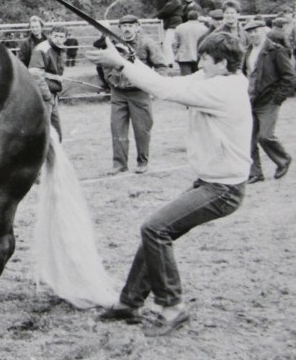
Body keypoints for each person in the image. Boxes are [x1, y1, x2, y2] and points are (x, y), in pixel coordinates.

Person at [86, 33, 251, 337]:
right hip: (212, 183)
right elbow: (172, 84)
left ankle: (172, 307)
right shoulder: (215, 77)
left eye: (204, 58)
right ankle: (130, 302)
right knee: (158, 231)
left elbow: (165, 90)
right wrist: (129, 59)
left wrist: (122, 64)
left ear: (222, 63)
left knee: (155, 229)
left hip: (222, 189)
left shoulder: (223, 89)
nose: (198, 63)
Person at [95, 15, 167, 175]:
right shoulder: (113, 44)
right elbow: (104, 64)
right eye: (123, 26)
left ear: (137, 27)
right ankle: (119, 164)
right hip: (118, 93)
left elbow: (161, 66)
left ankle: (142, 162)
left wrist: (156, 86)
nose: (127, 29)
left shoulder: (147, 43)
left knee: (142, 129)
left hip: (140, 93)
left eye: (130, 25)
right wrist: (110, 80)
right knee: (117, 128)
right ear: (119, 28)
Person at [242, 20, 295, 183]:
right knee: (248, 138)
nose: (253, 34)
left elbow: (289, 77)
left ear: (264, 31)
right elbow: (247, 74)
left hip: (269, 99)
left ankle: (283, 160)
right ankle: (255, 173)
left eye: (256, 31)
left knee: (265, 136)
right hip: (251, 99)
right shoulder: (248, 51)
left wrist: (278, 97)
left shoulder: (276, 50)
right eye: (250, 32)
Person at [28, 24, 66, 139]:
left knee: (56, 129)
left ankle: (55, 153)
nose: (58, 39)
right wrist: (47, 96)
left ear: (65, 38)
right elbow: (35, 74)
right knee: (44, 129)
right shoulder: (42, 49)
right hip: (43, 95)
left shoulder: (60, 49)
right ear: (50, 35)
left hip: (53, 94)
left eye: (61, 36)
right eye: (56, 36)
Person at [173, 10, 211, 76]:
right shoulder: (203, 28)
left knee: (186, 79)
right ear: (197, 17)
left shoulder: (179, 27)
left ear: (188, 17)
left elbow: (175, 44)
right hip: (198, 57)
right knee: (199, 78)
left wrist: (176, 53)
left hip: (183, 57)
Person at [155, 0, 183, 66]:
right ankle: (171, 60)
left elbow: (165, 11)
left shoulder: (174, 0)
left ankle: (169, 61)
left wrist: (156, 16)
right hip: (174, 23)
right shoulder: (174, 0)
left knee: (167, 43)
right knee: (171, 43)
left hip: (174, 24)